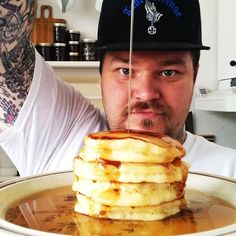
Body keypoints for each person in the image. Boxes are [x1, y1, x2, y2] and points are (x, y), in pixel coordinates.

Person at [0, 0, 235, 178]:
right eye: (125, 71)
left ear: (194, 75)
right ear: (101, 74)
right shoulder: (57, 134)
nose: (145, 93)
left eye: (168, 72)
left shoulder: (229, 175)